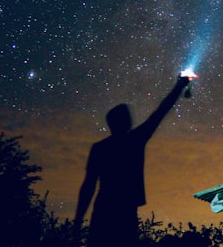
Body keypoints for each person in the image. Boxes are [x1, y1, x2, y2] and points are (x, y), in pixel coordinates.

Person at [74, 73, 194, 246]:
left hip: (103, 209)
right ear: (124, 121)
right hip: (125, 210)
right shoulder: (134, 140)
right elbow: (160, 112)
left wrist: (78, 222)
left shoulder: (100, 148)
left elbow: (88, 186)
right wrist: (179, 86)